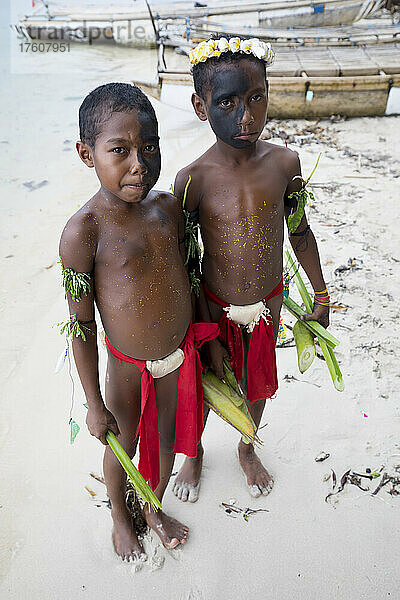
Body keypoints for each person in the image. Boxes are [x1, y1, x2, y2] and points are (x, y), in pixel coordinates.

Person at [59, 82, 218, 560]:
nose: (139, 164)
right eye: (120, 150)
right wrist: (92, 402)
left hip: (177, 356)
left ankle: (152, 506)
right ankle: (118, 515)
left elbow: (190, 276)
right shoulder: (83, 232)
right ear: (88, 155)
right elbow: (82, 327)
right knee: (123, 443)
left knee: (166, 439)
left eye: (150, 147)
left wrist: (208, 341)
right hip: (127, 369)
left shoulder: (168, 208)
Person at [172, 37, 330, 503]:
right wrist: (206, 328)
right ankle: (194, 451)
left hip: (268, 304)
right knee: (202, 388)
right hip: (213, 310)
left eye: (256, 98)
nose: (246, 116)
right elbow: (188, 264)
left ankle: (246, 446)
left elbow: (299, 232)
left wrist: (321, 296)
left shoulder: (285, 163)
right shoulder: (193, 180)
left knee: (257, 383)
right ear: (201, 107)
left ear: (268, 93)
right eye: (228, 102)